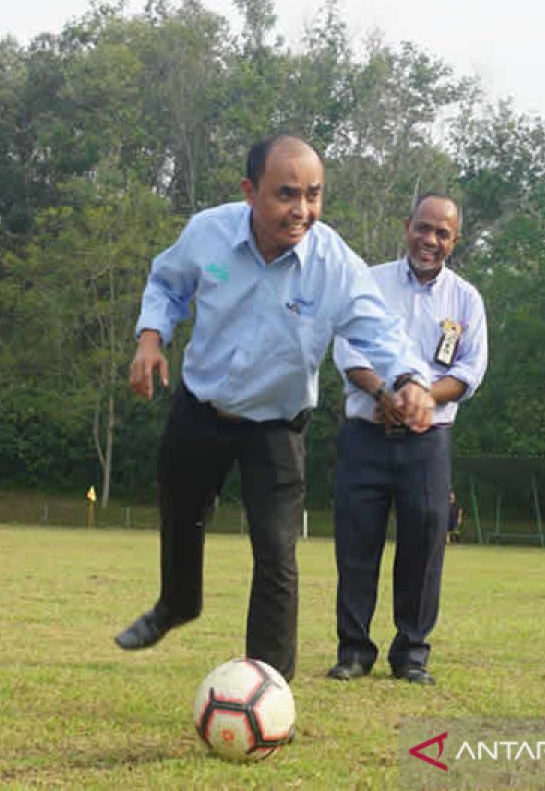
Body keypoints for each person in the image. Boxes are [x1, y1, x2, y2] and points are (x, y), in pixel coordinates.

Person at [114, 135, 436, 681]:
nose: (302, 210)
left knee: (275, 553)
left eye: (314, 195)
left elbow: (379, 328)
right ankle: (177, 603)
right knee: (180, 507)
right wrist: (150, 339)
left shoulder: (332, 262)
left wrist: (410, 380)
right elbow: (167, 284)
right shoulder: (208, 234)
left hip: (276, 427)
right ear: (249, 191)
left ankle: (268, 683)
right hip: (202, 406)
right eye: (287, 194)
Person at [326, 192, 487, 686]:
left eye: (442, 233)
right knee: (357, 548)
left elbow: (469, 371)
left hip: (428, 440)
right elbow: (347, 349)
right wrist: (384, 390)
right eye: (423, 228)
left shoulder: (465, 299)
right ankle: (354, 652)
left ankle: (411, 654)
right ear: (406, 226)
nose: (430, 240)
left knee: (423, 549)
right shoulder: (368, 283)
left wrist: (418, 399)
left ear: (453, 241)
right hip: (366, 434)